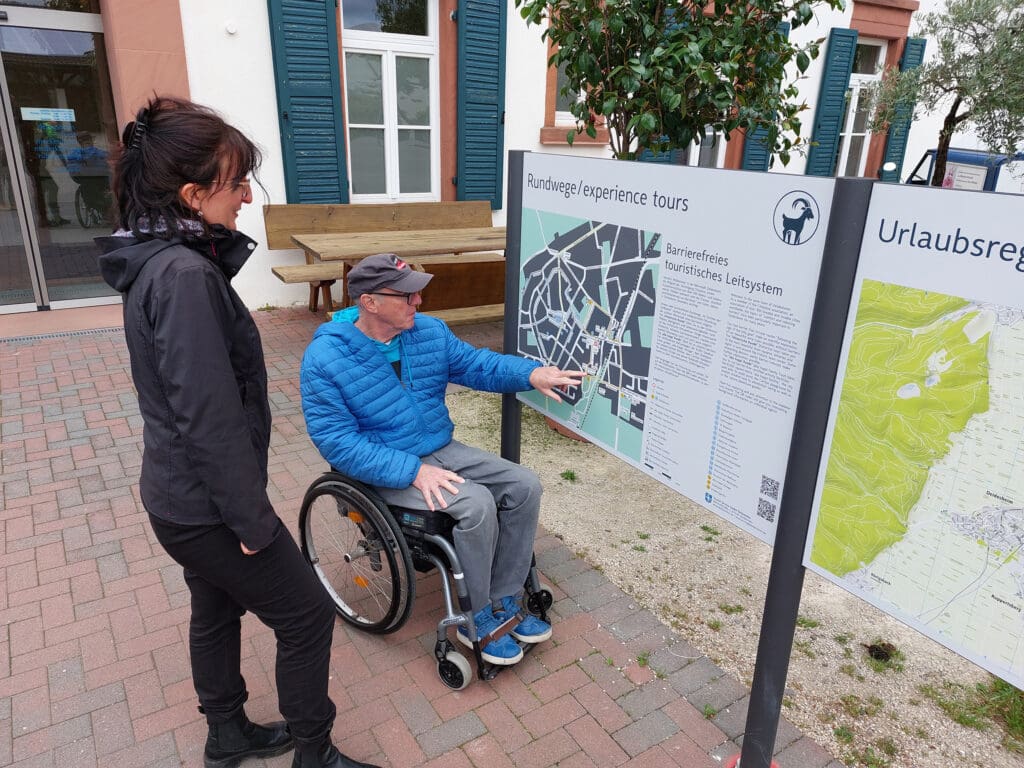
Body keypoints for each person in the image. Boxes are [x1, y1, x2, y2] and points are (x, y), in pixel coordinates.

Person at [96, 97, 377, 768]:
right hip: (207, 505)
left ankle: (226, 734)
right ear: (193, 195)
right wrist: (252, 522)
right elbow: (209, 417)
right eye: (236, 182)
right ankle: (316, 754)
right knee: (306, 616)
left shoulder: (159, 259)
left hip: (180, 499)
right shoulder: (185, 274)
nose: (248, 195)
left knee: (217, 607)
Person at [300, 253, 584, 665]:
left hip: (440, 448)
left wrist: (531, 374)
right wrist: (411, 471)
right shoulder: (326, 358)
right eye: (408, 295)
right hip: (381, 466)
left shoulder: (428, 333)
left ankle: (504, 597)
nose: (419, 302)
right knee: (476, 504)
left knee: (524, 485)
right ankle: (477, 616)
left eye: (419, 293)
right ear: (370, 302)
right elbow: (336, 441)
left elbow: (477, 365)